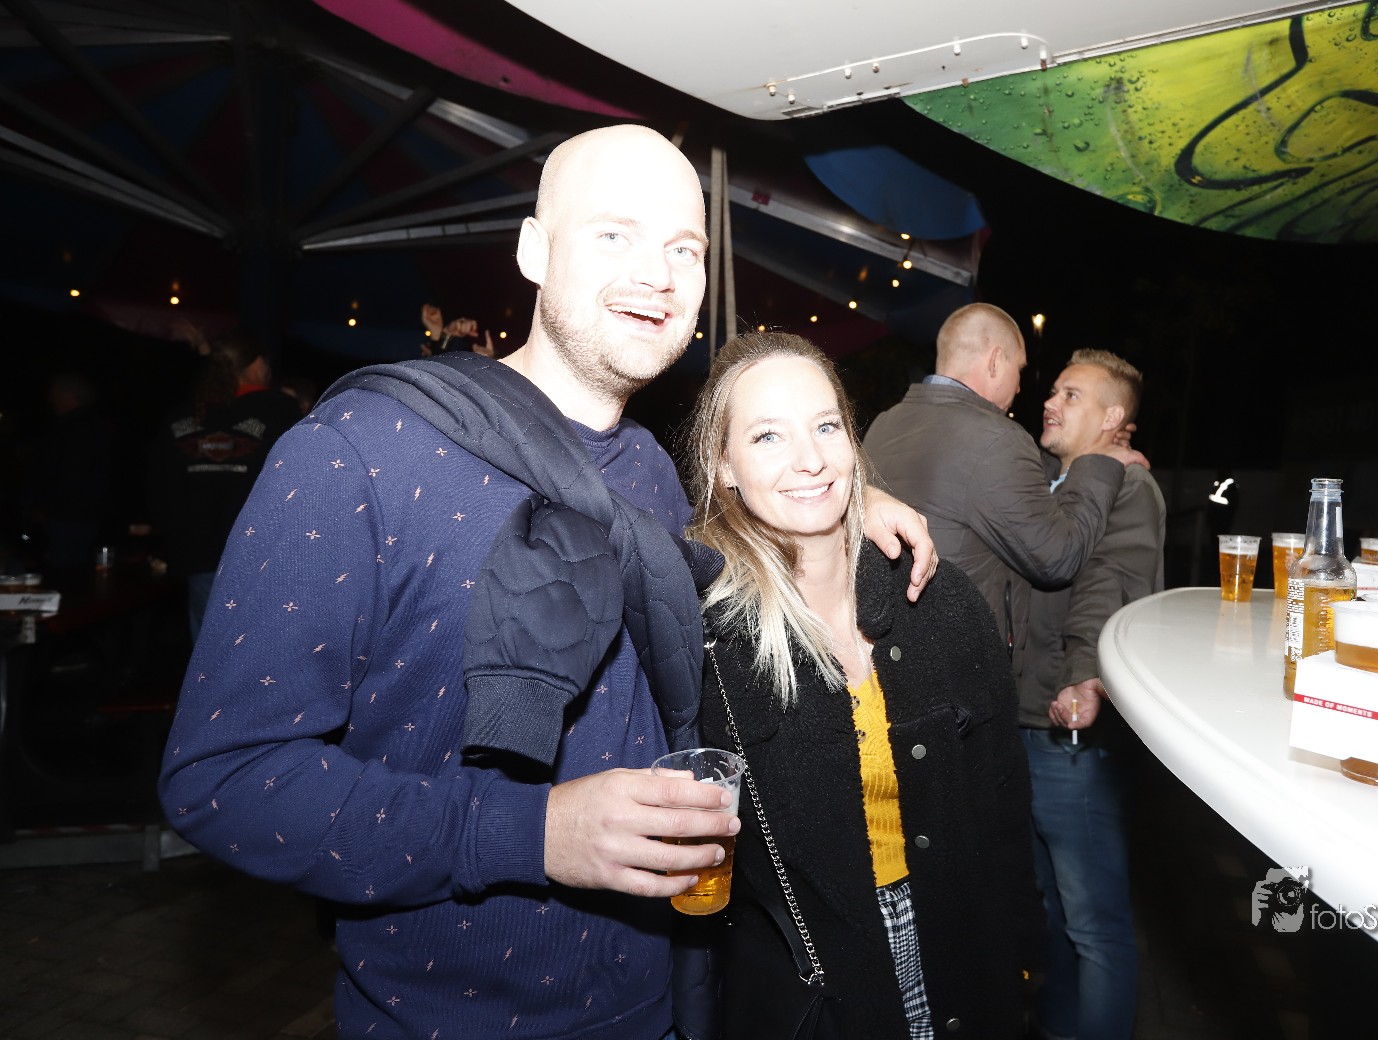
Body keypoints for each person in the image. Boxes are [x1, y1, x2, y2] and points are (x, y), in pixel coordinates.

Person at [158, 124, 935, 1040]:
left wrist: (842, 506)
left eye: (684, 249)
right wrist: (531, 834)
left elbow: (714, 569)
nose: (657, 275)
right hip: (445, 1020)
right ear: (533, 250)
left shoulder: (648, 470)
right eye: (614, 234)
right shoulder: (356, 455)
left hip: (658, 1001)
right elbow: (224, 779)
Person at [689, 332, 1039, 1039]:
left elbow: (1004, 807)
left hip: (964, 957)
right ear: (724, 465)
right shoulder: (707, 638)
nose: (810, 459)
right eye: (767, 436)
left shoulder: (941, 602)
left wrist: (1026, 963)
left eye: (826, 427)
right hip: (822, 990)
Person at [862, 302, 1146, 724]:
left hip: (885, 667)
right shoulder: (997, 438)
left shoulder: (884, 423)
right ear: (995, 361)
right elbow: (1058, 558)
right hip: (958, 688)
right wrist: (1100, 464)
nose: (1022, 387)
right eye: (1019, 369)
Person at [1027, 350, 1166, 1040]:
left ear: (1114, 419)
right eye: (1054, 390)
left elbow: (1113, 585)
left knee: (1094, 924)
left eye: (1072, 395)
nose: (1051, 402)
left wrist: (1084, 675)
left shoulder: (1130, 488)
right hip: (1034, 724)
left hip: (1076, 734)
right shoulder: (1056, 484)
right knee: (1052, 911)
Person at [153, 335, 300, 637]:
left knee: (209, 647)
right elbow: (299, 476)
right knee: (262, 647)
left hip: (199, 551)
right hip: (260, 552)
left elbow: (161, 484)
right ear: (257, 364)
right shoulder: (279, 409)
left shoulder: (183, 413)